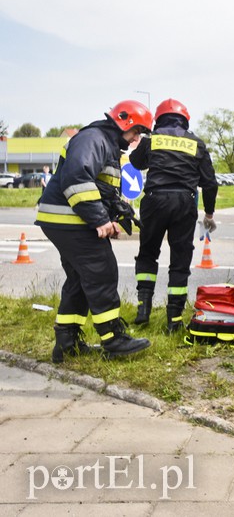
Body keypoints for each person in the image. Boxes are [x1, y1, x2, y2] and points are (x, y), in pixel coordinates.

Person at [35, 100, 153, 362]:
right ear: (124, 122)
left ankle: (66, 343)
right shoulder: (94, 138)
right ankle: (113, 338)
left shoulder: (106, 144)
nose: (137, 138)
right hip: (68, 220)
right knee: (102, 270)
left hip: (65, 220)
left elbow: (101, 188)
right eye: (137, 131)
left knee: (80, 278)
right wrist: (100, 220)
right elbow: (77, 178)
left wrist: (118, 211)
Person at [129, 98, 218, 332]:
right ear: (185, 120)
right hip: (184, 203)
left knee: (148, 254)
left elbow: (135, 162)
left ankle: (143, 309)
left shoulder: (151, 141)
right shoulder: (196, 143)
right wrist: (209, 214)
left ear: (158, 120)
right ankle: (174, 320)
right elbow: (210, 184)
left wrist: (144, 143)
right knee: (180, 259)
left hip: (154, 200)